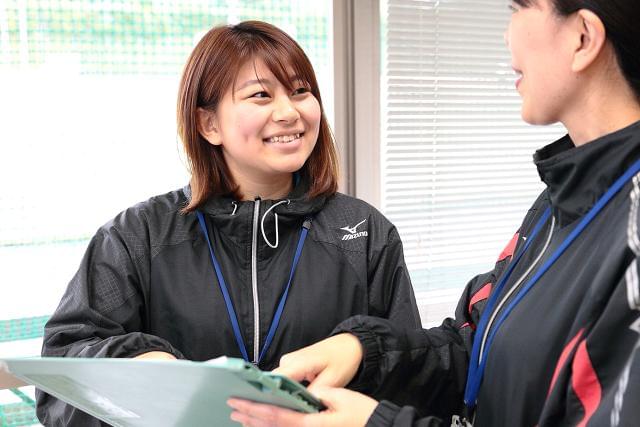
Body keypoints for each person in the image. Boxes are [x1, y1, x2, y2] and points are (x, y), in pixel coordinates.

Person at [227, 1, 640, 426]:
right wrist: (365, 350)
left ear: (583, 37)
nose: (506, 35)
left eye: (519, 7)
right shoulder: (566, 199)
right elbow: (479, 345)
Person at [35, 20, 421, 426]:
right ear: (209, 124)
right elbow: (61, 375)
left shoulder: (364, 232)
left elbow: (412, 370)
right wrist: (140, 363)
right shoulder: (138, 235)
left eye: (300, 91)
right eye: (261, 95)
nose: (289, 112)